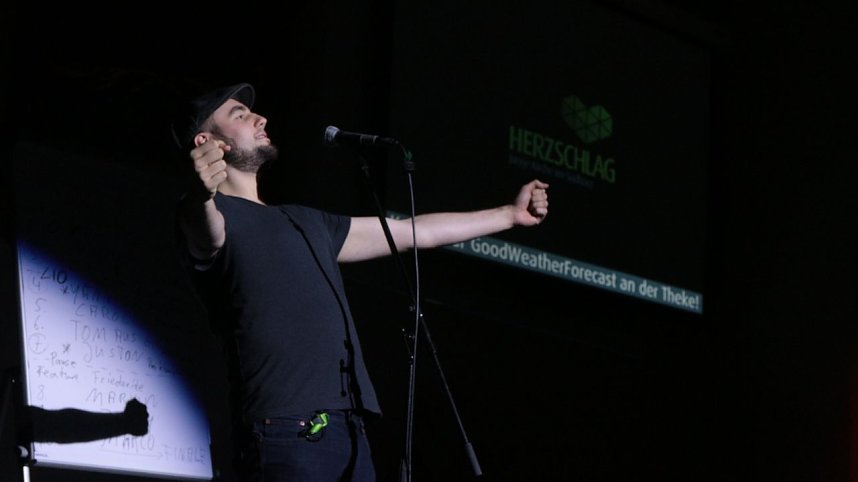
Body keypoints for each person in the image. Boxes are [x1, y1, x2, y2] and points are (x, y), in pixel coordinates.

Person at [171, 82, 549, 482]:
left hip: (350, 433)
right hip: (285, 430)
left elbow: (411, 231)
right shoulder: (211, 215)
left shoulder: (308, 221)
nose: (260, 118)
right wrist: (199, 193)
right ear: (207, 140)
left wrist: (508, 214)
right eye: (240, 115)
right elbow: (203, 228)